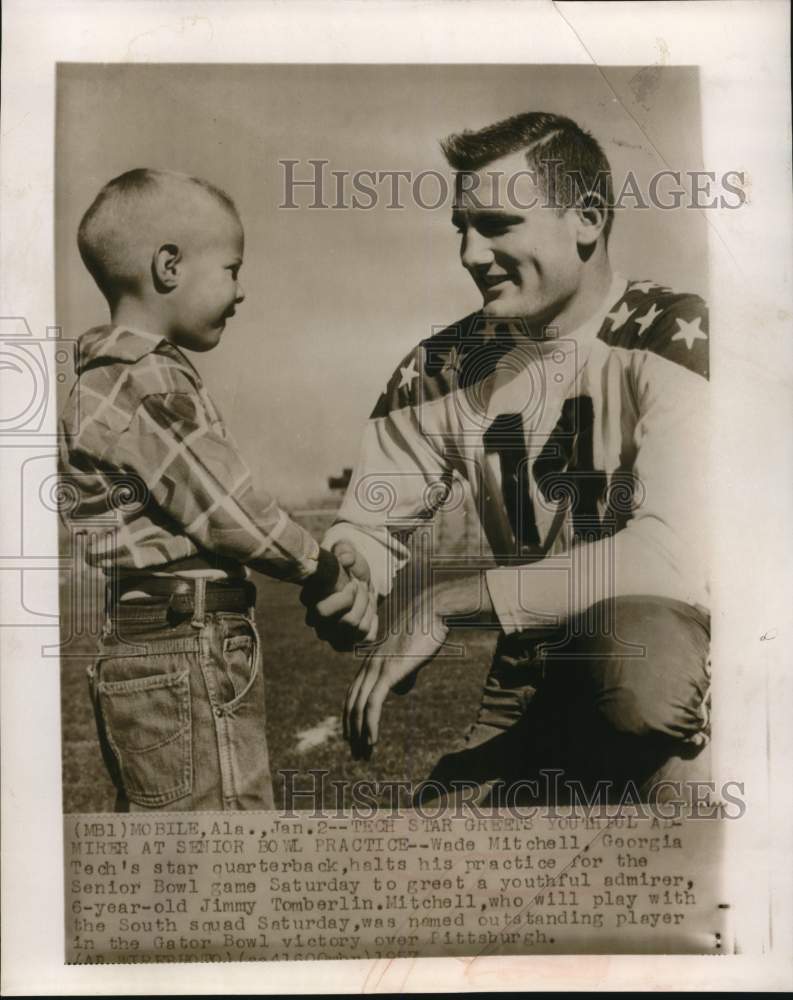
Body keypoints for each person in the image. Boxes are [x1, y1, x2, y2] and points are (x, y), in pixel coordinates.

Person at [305, 112, 711, 806]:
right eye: (461, 228)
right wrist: (349, 570)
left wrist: (454, 603)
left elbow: (674, 553)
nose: (468, 253)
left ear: (585, 219)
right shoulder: (444, 366)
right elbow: (370, 520)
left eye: (496, 226)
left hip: (657, 657)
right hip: (531, 665)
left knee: (640, 694)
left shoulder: (675, 334)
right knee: (443, 875)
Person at [60, 168, 377, 812]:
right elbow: (226, 508)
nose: (241, 291)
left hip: (152, 638)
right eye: (232, 269)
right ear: (169, 265)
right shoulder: (144, 379)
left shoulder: (106, 380)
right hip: (188, 643)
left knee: (172, 853)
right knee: (224, 842)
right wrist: (318, 569)